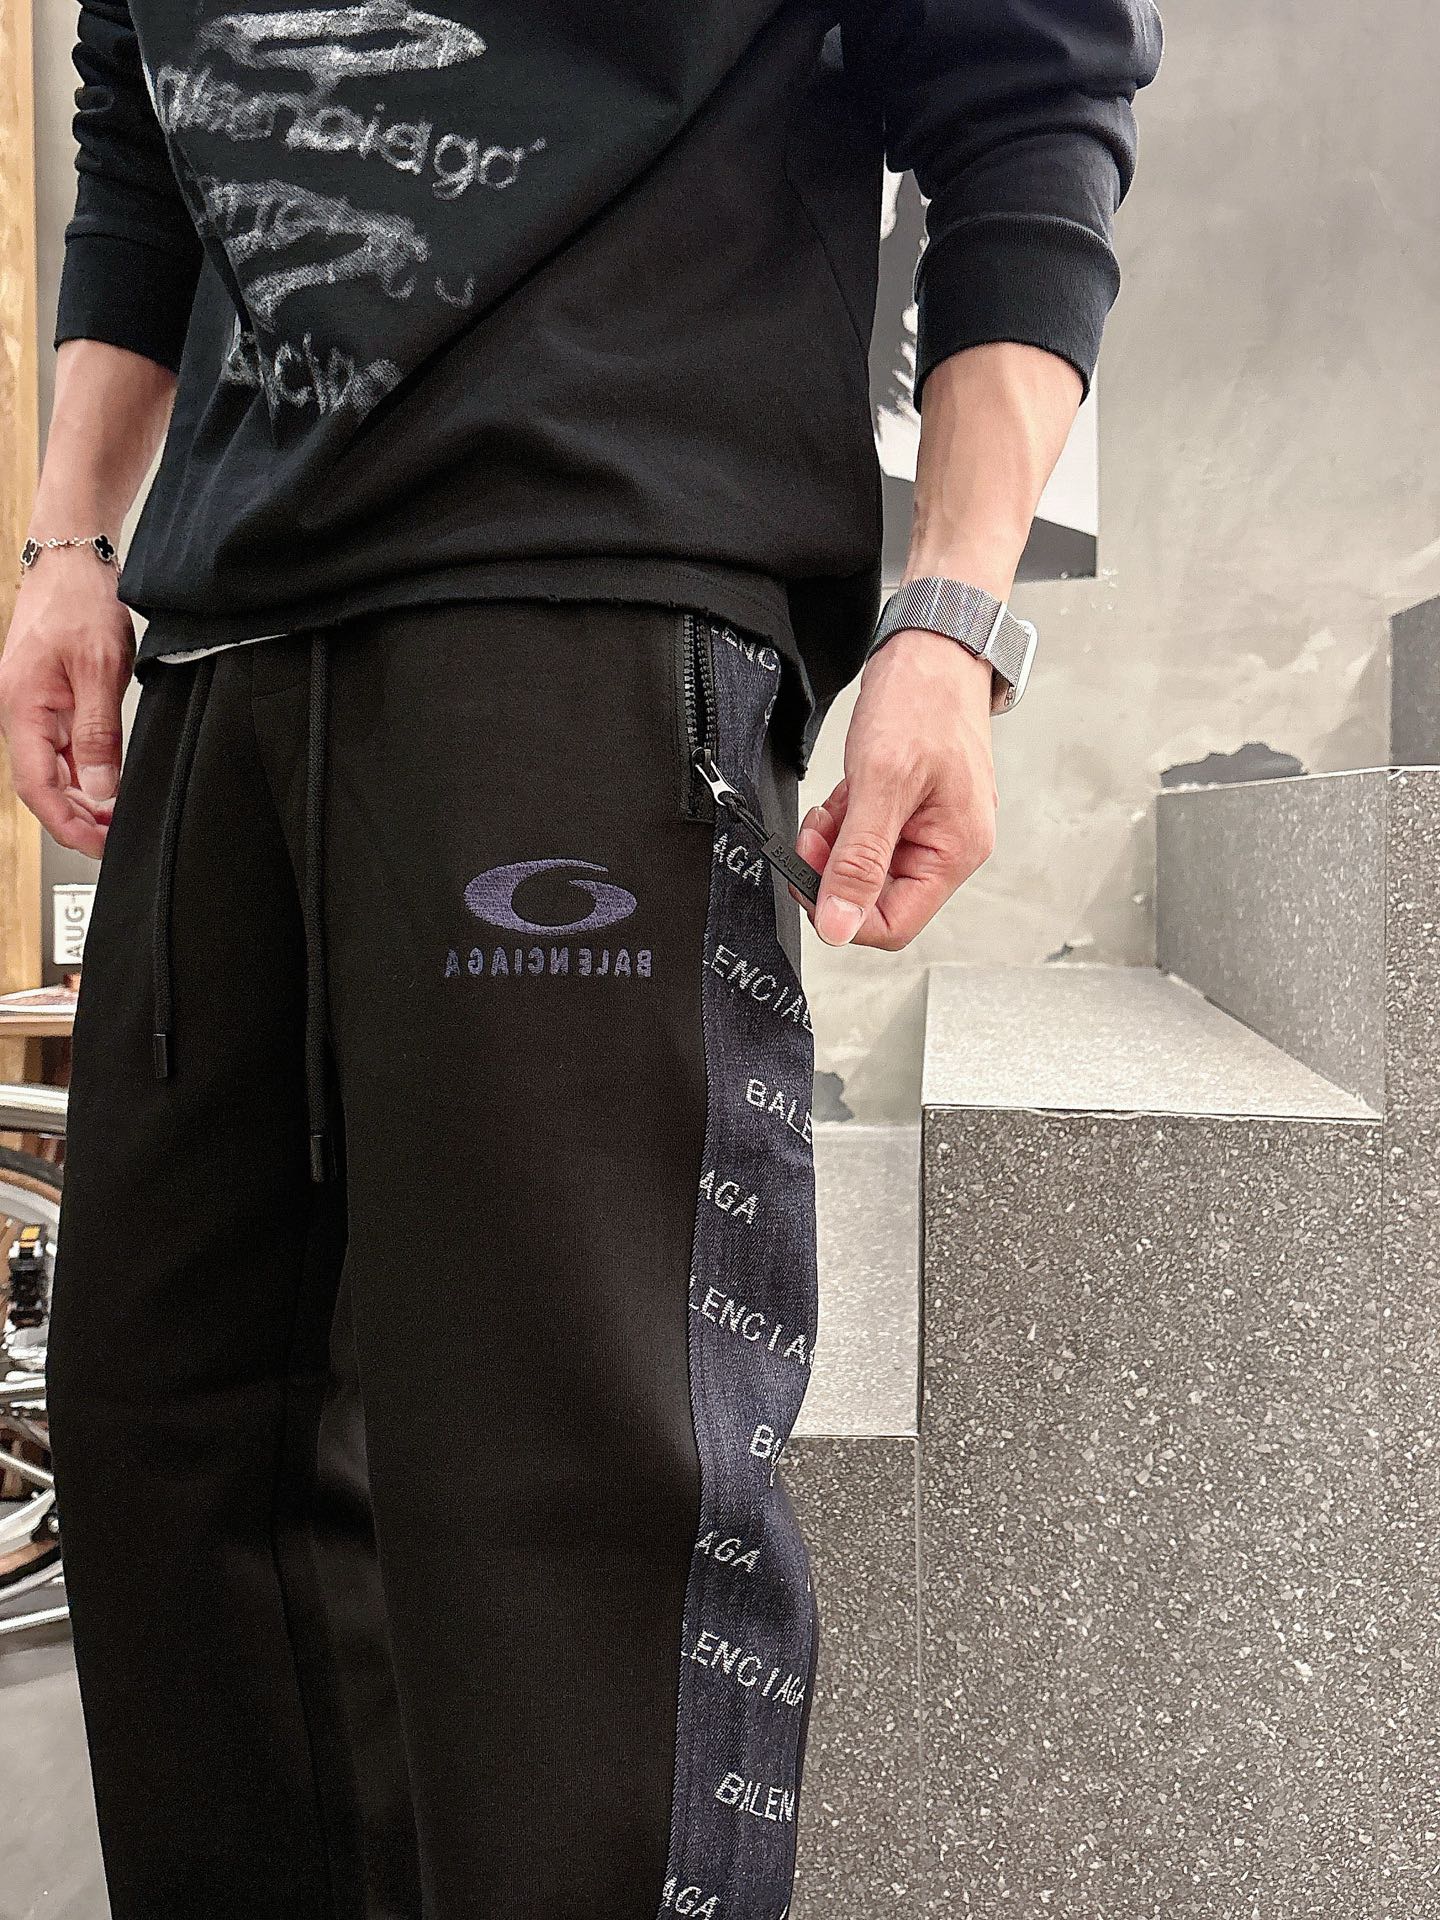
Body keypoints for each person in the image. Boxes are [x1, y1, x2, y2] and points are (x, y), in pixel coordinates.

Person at [0, 2, 1160, 1914]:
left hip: (591, 585)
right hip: (218, 646)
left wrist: (954, 611)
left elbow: (1027, 89)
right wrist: (70, 544)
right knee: (177, 1473)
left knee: (569, 1538)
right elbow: (140, 133)